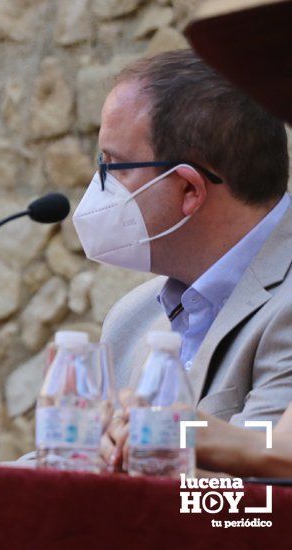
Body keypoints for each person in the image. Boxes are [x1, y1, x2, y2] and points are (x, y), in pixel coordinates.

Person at [69, 49, 291, 471]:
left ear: (190, 190)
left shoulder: (286, 307)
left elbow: (258, 504)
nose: (98, 188)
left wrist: (166, 443)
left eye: (112, 166)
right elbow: (69, 464)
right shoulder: (131, 317)